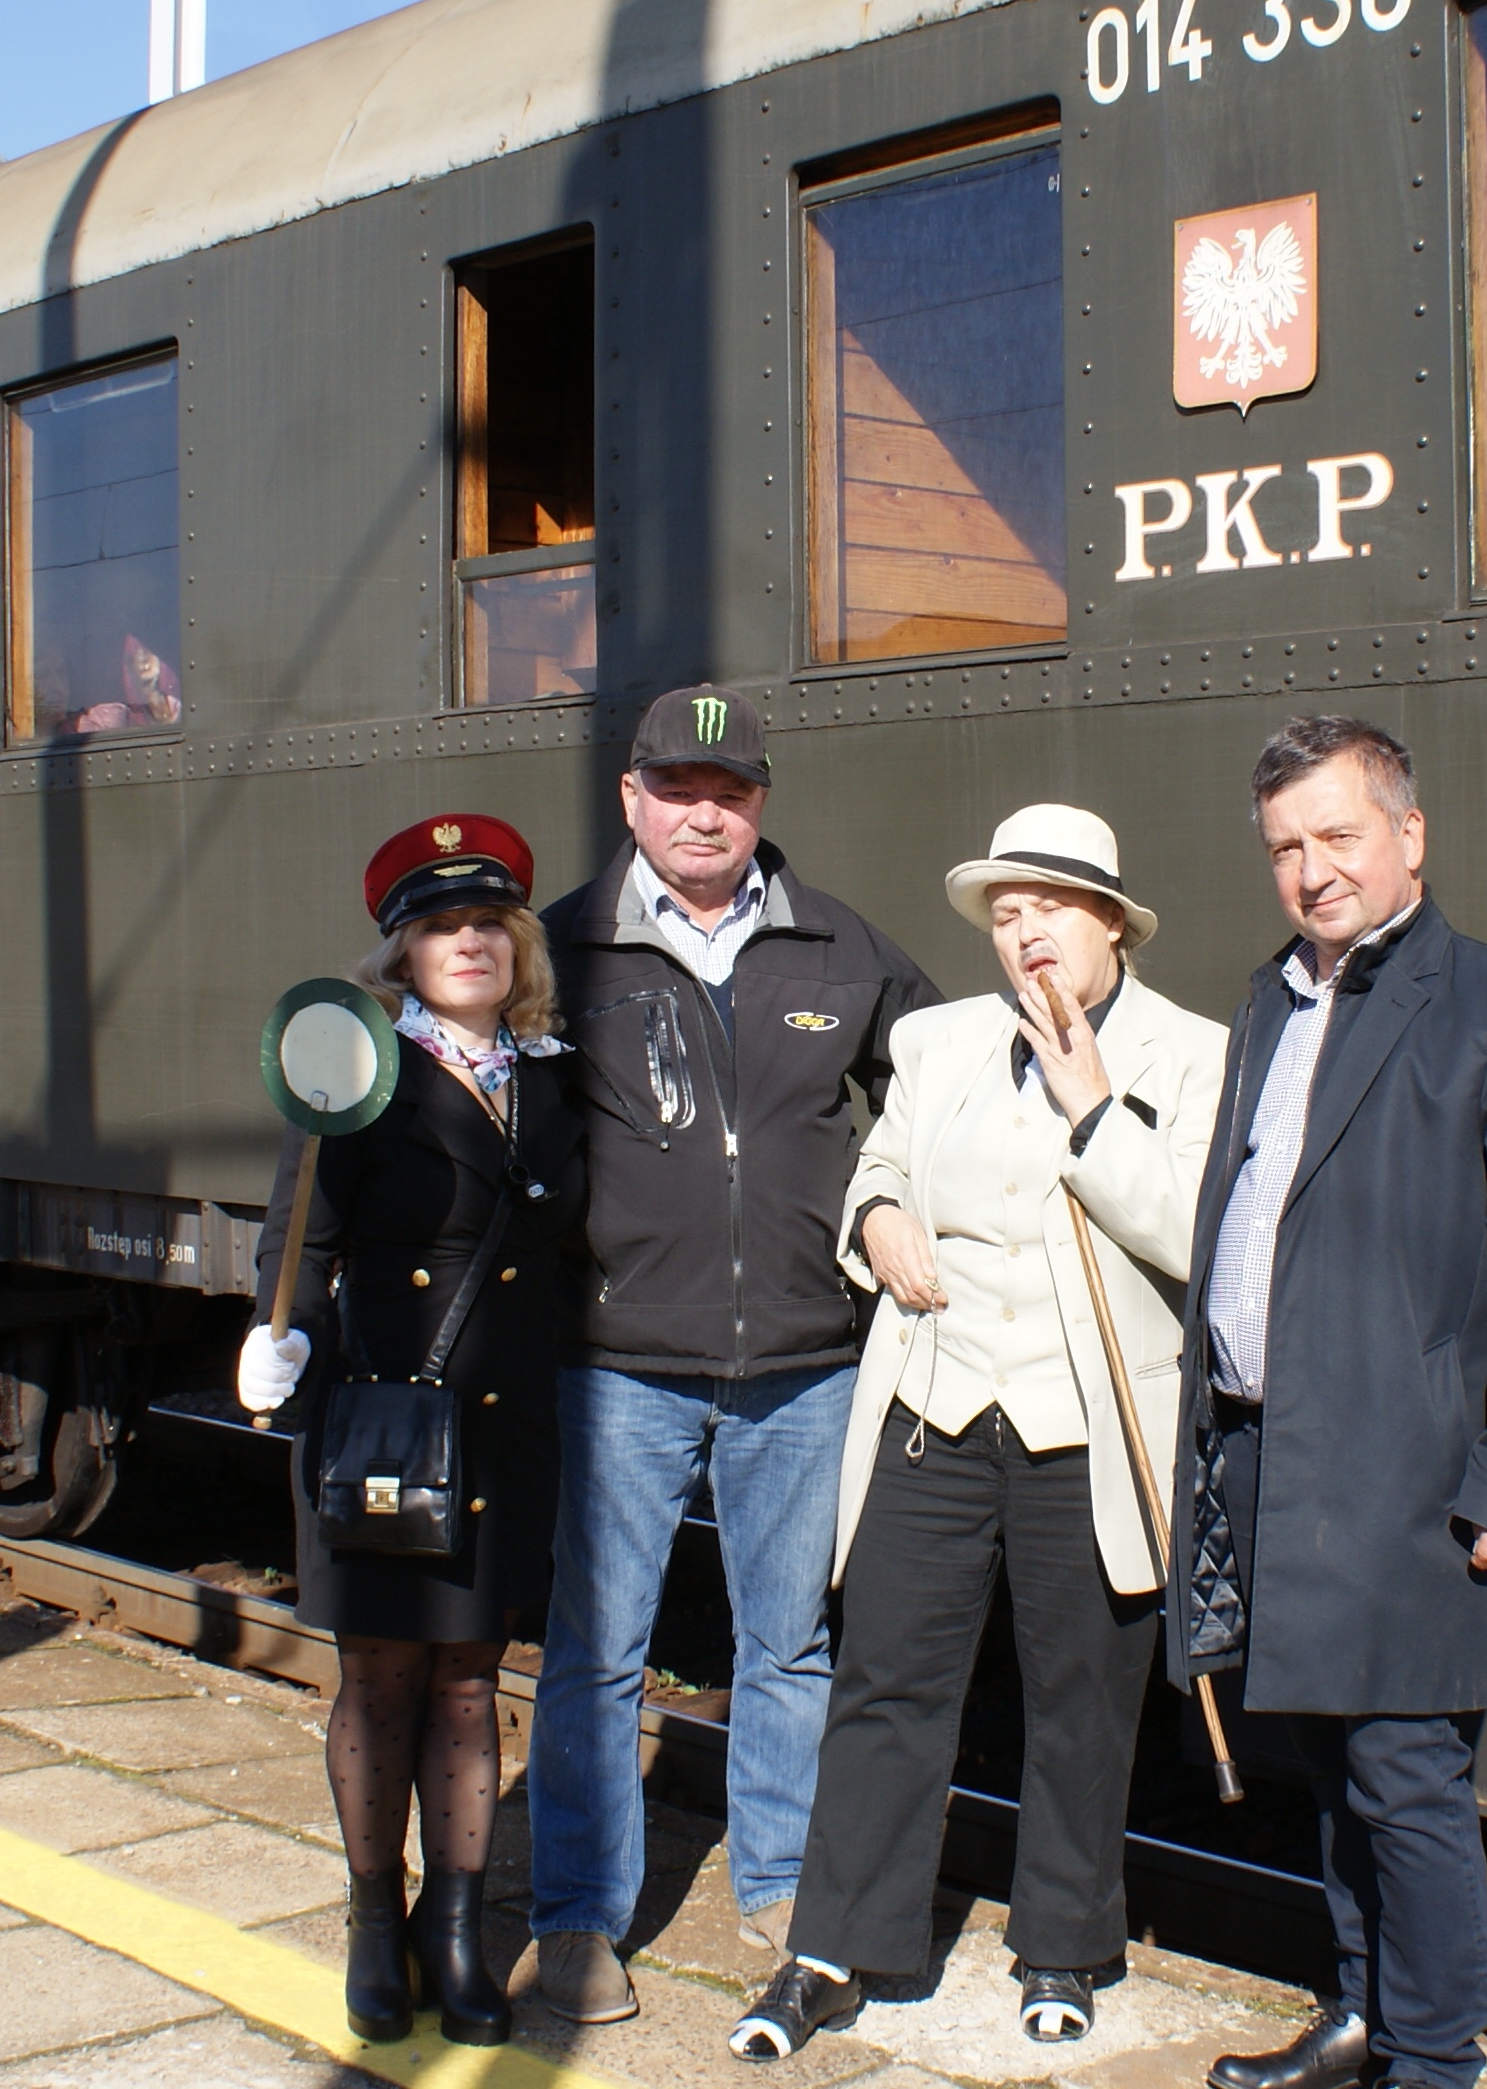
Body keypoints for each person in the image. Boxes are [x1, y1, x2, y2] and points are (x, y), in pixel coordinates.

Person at [730, 806, 1227, 2061]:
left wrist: (1091, 1107)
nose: (1024, 934)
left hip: (1088, 1425)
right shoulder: (939, 1039)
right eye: (1006, 915)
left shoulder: (1193, 1055)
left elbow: (1193, 1234)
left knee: (1080, 1695)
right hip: (935, 1405)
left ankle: (1063, 1946)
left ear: (1111, 923)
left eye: (1050, 908)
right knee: (884, 1677)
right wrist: (879, 1217)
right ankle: (837, 1948)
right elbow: (880, 1165)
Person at [1176, 718, 1487, 2089]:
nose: (1311, 869)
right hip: (1271, 1454)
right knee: (1332, 1763)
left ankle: (1434, 2061)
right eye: (1284, 846)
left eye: (1337, 834)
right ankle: (1365, 2014)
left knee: (1405, 1775)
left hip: (1409, 1473)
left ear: (1408, 835)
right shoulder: (1269, 1002)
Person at [525, 685, 939, 2026]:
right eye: (676, 788)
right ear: (630, 798)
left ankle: (780, 1888)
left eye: (730, 790)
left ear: (759, 803)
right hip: (619, 1363)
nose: (703, 813)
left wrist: (886, 1200)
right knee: (595, 1651)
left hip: (803, 1363)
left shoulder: (838, 946)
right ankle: (578, 1919)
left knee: (788, 1645)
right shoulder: (560, 951)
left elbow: (936, 1089)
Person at [240, 813, 588, 2048]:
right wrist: (278, 1332)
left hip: (502, 1431)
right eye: (441, 926)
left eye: (489, 921)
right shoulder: (360, 1070)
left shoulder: (550, 1075)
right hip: (384, 1429)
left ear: (518, 942)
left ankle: (457, 1933)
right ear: (403, 954)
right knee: (380, 1679)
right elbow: (300, 1236)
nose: (469, 941)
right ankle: (372, 1927)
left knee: (471, 1684)